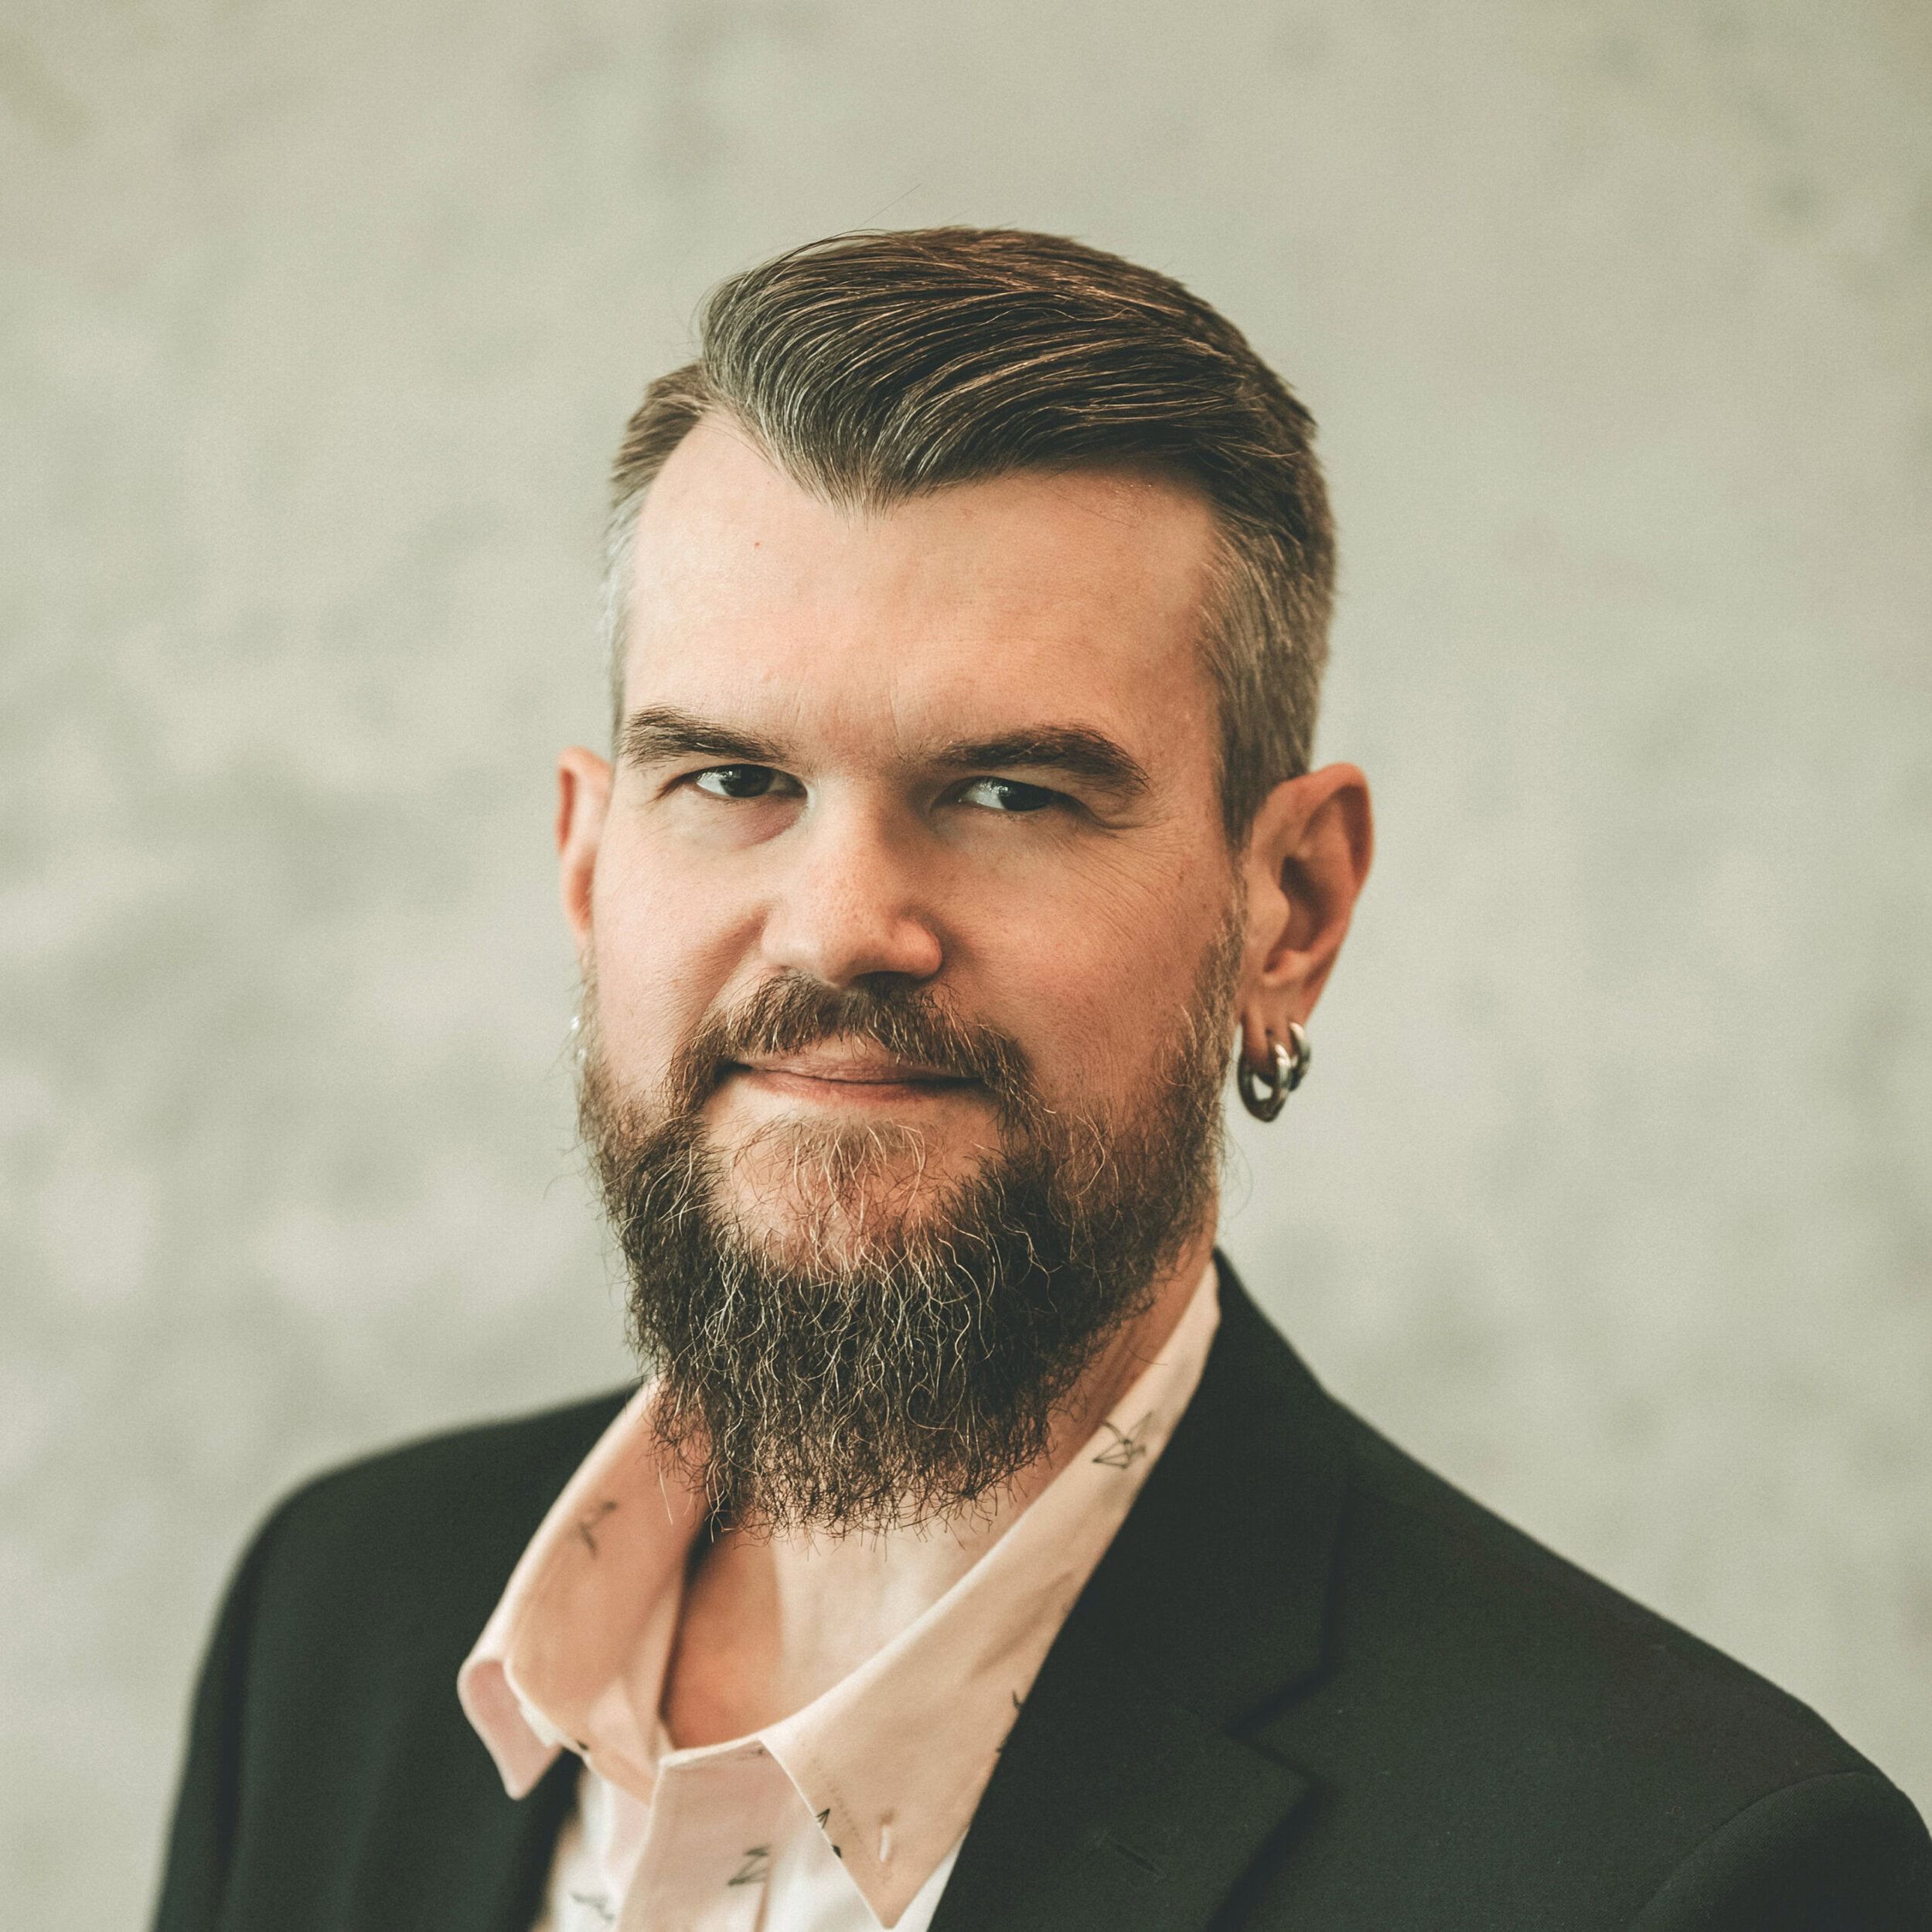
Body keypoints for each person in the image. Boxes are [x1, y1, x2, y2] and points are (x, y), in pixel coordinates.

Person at [152, 227, 1932, 1932]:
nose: (838, 927)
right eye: (729, 779)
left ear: (1287, 908)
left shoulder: (1679, 1875)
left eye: (1010, 791)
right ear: (587, 860)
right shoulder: (339, 1617)